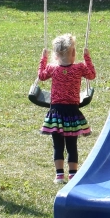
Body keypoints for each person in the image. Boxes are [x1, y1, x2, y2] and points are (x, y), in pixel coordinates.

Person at [38, 32, 96, 183]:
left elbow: (41, 76)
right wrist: (87, 58)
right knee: (72, 145)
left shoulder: (52, 68)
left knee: (58, 145)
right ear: (74, 53)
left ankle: (59, 175)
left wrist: (43, 59)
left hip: (56, 113)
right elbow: (92, 75)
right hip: (72, 113)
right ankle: (73, 175)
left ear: (55, 55)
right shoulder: (79, 68)